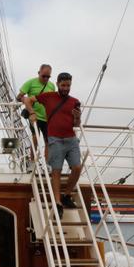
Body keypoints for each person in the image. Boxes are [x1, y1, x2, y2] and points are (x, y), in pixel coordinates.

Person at [24, 72, 82, 209]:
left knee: (77, 167)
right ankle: (57, 203)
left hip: (71, 139)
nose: (66, 88)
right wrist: (32, 113)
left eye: (68, 85)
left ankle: (66, 195)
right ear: (57, 84)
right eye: (63, 85)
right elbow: (27, 100)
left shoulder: (75, 101)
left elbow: (76, 124)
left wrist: (77, 117)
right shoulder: (48, 97)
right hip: (55, 139)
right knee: (56, 170)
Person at [17, 64, 56, 153]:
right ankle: (32, 161)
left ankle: (47, 164)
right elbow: (19, 97)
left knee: (48, 142)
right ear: (39, 73)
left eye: (48, 77)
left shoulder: (52, 86)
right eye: (44, 76)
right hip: (34, 115)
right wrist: (26, 100)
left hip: (46, 117)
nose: (46, 78)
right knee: (35, 138)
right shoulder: (30, 83)